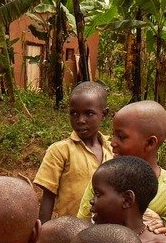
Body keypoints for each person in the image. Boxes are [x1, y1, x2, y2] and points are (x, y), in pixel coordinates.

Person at [77, 100, 166, 243]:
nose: (112, 143)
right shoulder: (102, 179)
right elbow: (82, 225)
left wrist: (159, 230)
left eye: (121, 137)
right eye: (113, 135)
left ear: (150, 143)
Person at [34, 81, 113, 223]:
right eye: (74, 113)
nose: (80, 120)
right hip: (69, 231)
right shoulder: (59, 151)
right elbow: (48, 196)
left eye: (89, 113)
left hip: (104, 232)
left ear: (104, 114)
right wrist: (42, 236)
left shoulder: (112, 150)